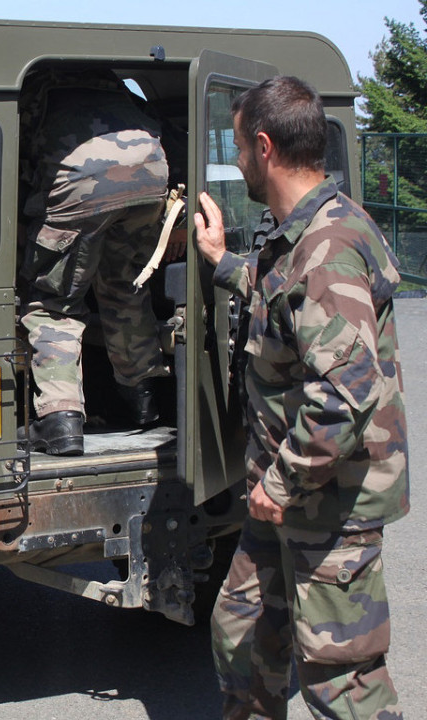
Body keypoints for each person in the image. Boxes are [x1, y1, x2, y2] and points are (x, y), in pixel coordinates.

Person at [194, 75, 409, 719]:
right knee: (240, 631)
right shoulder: (305, 232)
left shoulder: (328, 247)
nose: (237, 160)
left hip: (325, 500)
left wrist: (281, 482)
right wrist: (223, 263)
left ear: (264, 148)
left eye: (237, 146)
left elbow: (345, 392)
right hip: (288, 497)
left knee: (341, 681)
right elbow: (283, 300)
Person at [18, 68, 173, 455]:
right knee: (124, 284)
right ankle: (143, 398)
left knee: (53, 303)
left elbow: (9, 168)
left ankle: (59, 421)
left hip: (81, 180)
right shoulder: (110, 84)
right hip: (151, 173)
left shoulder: (33, 85)